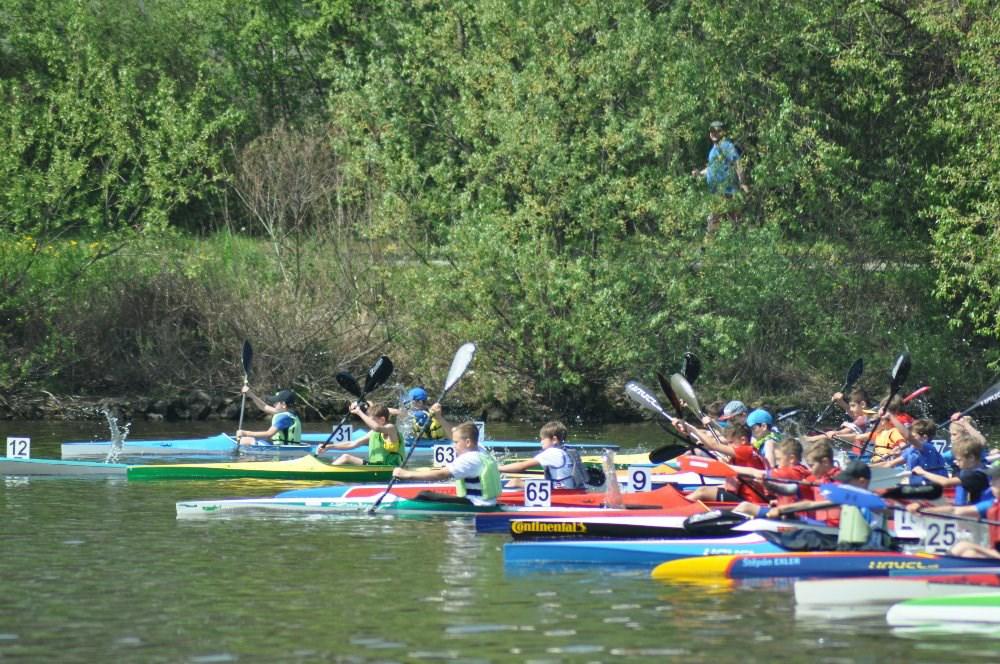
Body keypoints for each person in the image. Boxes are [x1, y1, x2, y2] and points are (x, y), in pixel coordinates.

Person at [391, 421, 501, 507]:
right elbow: (454, 431)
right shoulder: (482, 451)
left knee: (425, 495)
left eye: (456, 442)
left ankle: (400, 506)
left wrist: (407, 475)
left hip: (475, 505)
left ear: (468, 442)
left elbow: (440, 475)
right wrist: (439, 417)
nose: (453, 445)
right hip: (487, 503)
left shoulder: (469, 459)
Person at [907, 463, 1000, 559]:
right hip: (994, 551)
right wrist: (924, 510)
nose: (991, 483)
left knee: (965, 550)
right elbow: (955, 510)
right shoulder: (993, 503)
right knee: (964, 549)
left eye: (995, 480)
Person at [679, 422, 768, 503]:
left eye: (730, 442)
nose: (728, 446)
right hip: (743, 496)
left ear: (743, 440)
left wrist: (691, 428)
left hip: (750, 500)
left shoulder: (746, 450)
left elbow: (713, 445)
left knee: (703, 492)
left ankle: (677, 509)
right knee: (701, 490)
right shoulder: (749, 452)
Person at [691, 120, 749, 233]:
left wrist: (743, 183)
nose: (714, 133)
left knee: (715, 221)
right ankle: (735, 245)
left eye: (717, 131)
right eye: (712, 131)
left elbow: (737, 163)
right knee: (733, 222)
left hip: (727, 192)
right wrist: (699, 173)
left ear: (722, 132)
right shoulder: (713, 150)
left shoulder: (726, 145)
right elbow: (711, 168)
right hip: (716, 192)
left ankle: (708, 246)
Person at [731, 438, 812, 518]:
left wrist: (727, 467)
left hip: (793, 518)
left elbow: (756, 472)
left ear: (791, 459)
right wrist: (778, 501)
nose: (778, 464)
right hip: (786, 510)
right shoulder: (800, 469)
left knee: (745, 507)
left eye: (779, 459)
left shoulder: (791, 472)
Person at [497, 421, 585, 489]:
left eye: (543, 439)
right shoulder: (568, 450)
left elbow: (522, 466)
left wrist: (498, 469)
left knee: (516, 482)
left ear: (554, 439)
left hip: (560, 494)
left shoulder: (552, 452)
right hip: (573, 490)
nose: (540, 442)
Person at [833, 460, 890, 550]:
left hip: (869, 550)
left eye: (847, 482)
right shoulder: (847, 499)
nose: (843, 485)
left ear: (862, 482)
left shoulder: (873, 500)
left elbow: (886, 509)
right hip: (846, 549)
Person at [323, 402, 403, 467]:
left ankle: (326, 472)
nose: (368, 424)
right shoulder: (373, 433)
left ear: (382, 420)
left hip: (391, 469)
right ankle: (327, 470)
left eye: (371, 420)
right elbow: (352, 444)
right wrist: (329, 447)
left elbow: (376, 427)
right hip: (376, 467)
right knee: (345, 457)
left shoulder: (391, 428)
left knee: (346, 457)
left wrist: (359, 412)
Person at [871, 418, 948, 484]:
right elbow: (889, 464)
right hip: (918, 485)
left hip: (934, 486)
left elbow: (908, 436)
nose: (909, 440)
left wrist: (891, 416)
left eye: (913, 436)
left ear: (924, 438)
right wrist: (866, 468)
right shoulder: (911, 450)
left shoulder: (928, 448)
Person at [235, 387, 301, 446]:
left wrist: (245, 433)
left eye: (276, 402)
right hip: (286, 449)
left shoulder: (284, 418)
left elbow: (268, 434)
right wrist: (251, 394)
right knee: (251, 440)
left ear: (283, 404)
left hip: (284, 452)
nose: (274, 404)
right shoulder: (289, 413)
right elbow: (264, 407)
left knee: (246, 440)